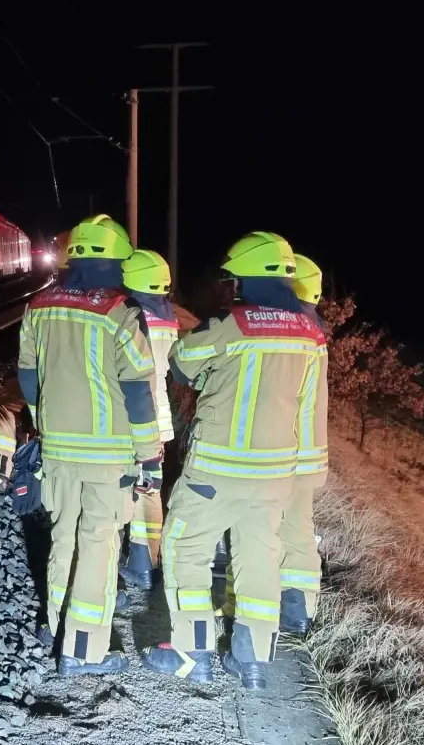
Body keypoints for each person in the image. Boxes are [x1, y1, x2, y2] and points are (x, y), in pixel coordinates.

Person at [141, 231, 325, 689]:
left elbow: (181, 364)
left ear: (249, 277)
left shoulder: (230, 323)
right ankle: (253, 662)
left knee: (188, 549)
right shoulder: (309, 333)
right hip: (275, 475)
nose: (232, 286)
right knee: (260, 558)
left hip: (216, 471)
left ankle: (190, 652)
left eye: (235, 278)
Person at [18, 215, 162, 676]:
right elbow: (138, 392)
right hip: (107, 456)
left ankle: (55, 624)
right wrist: (150, 455)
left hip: (58, 450)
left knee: (64, 535)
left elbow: (26, 375)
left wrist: (45, 423)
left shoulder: (39, 304)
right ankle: (83, 651)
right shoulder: (121, 311)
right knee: (98, 546)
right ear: (116, 260)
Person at [118, 248, 178, 591]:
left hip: (131, 419)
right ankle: (144, 563)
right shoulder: (166, 314)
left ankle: (114, 560)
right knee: (149, 492)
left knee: (120, 488)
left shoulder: (130, 315)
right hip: (159, 419)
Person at [278, 252, 329, 634]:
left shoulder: (291, 332)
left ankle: (264, 608)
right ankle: (297, 609)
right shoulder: (315, 331)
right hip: (309, 455)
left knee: (265, 527)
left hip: (283, 451)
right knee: (297, 527)